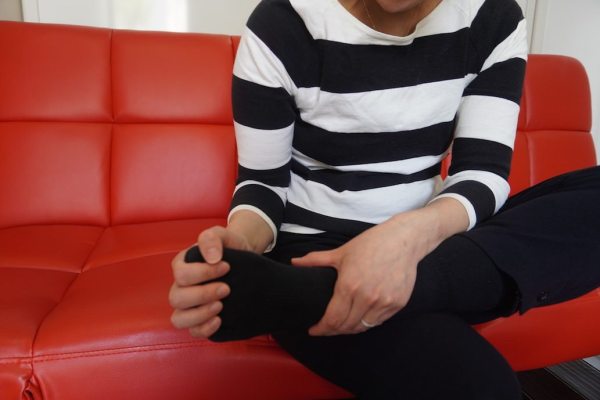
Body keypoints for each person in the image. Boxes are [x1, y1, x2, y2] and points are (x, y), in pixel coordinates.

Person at [168, 0, 600, 398]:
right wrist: (243, 238)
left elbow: (482, 173)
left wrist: (404, 240)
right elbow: (263, 183)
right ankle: (339, 283)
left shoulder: (492, 17)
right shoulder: (283, 23)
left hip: (433, 239)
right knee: (483, 388)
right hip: (317, 249)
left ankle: (312, 296)